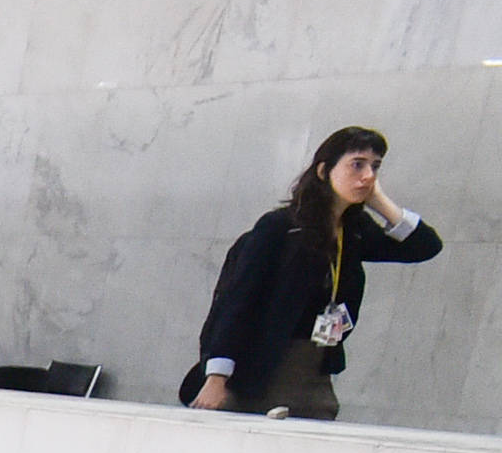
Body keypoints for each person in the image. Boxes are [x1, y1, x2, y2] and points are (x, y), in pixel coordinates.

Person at [185, 126, 439, 421]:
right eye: (357, 164)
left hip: (316, 368)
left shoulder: (354, 231)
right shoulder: (281, 227)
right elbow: (237, 301)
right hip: (264, 366)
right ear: (323, 171)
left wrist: (379, 201)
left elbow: (425, 247)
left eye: (375, 167)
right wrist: (216, 377)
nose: (368, 176)